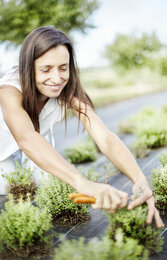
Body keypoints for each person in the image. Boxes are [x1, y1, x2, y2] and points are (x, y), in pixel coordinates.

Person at [0, 26, 164, 228]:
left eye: (63, 67)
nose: (57, 78)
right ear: (28, 67)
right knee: (8, 194)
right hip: (6, 152)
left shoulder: (69, 89)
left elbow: (103, 136)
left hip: (37, 147)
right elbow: (25, 137)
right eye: (46, 69)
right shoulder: (9, 89)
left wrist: (139, 179)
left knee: (52, 187)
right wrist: (82, 182)